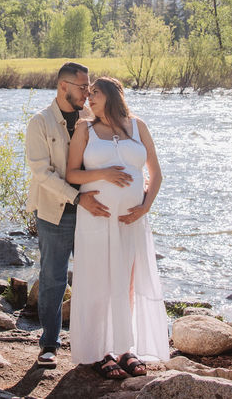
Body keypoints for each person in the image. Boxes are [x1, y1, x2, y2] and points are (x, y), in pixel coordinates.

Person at [65, 76, 170, 379]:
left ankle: (126, 347)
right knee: (97, 281)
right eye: (88, 95)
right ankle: (100, 352)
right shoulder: (84, 129)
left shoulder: (138, 126)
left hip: (131, 220)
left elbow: (156, 174)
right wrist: (104, 174)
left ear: (111, 95)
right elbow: (72, 174)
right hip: (97, 217)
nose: (89, 99)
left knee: (128, 283)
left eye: (94, 93)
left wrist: (144, 208)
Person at [24, 61, 110, 368]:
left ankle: (96, 343)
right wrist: (77, 197)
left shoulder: (93, 118)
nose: (88, 93)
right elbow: (41, 173)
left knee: (95, 276)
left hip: (93, 211)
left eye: (89, 87)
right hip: (54, 211)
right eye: (82, 87)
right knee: (53, 279)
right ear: (64, 87)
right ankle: (49, 343)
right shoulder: (40, 123)